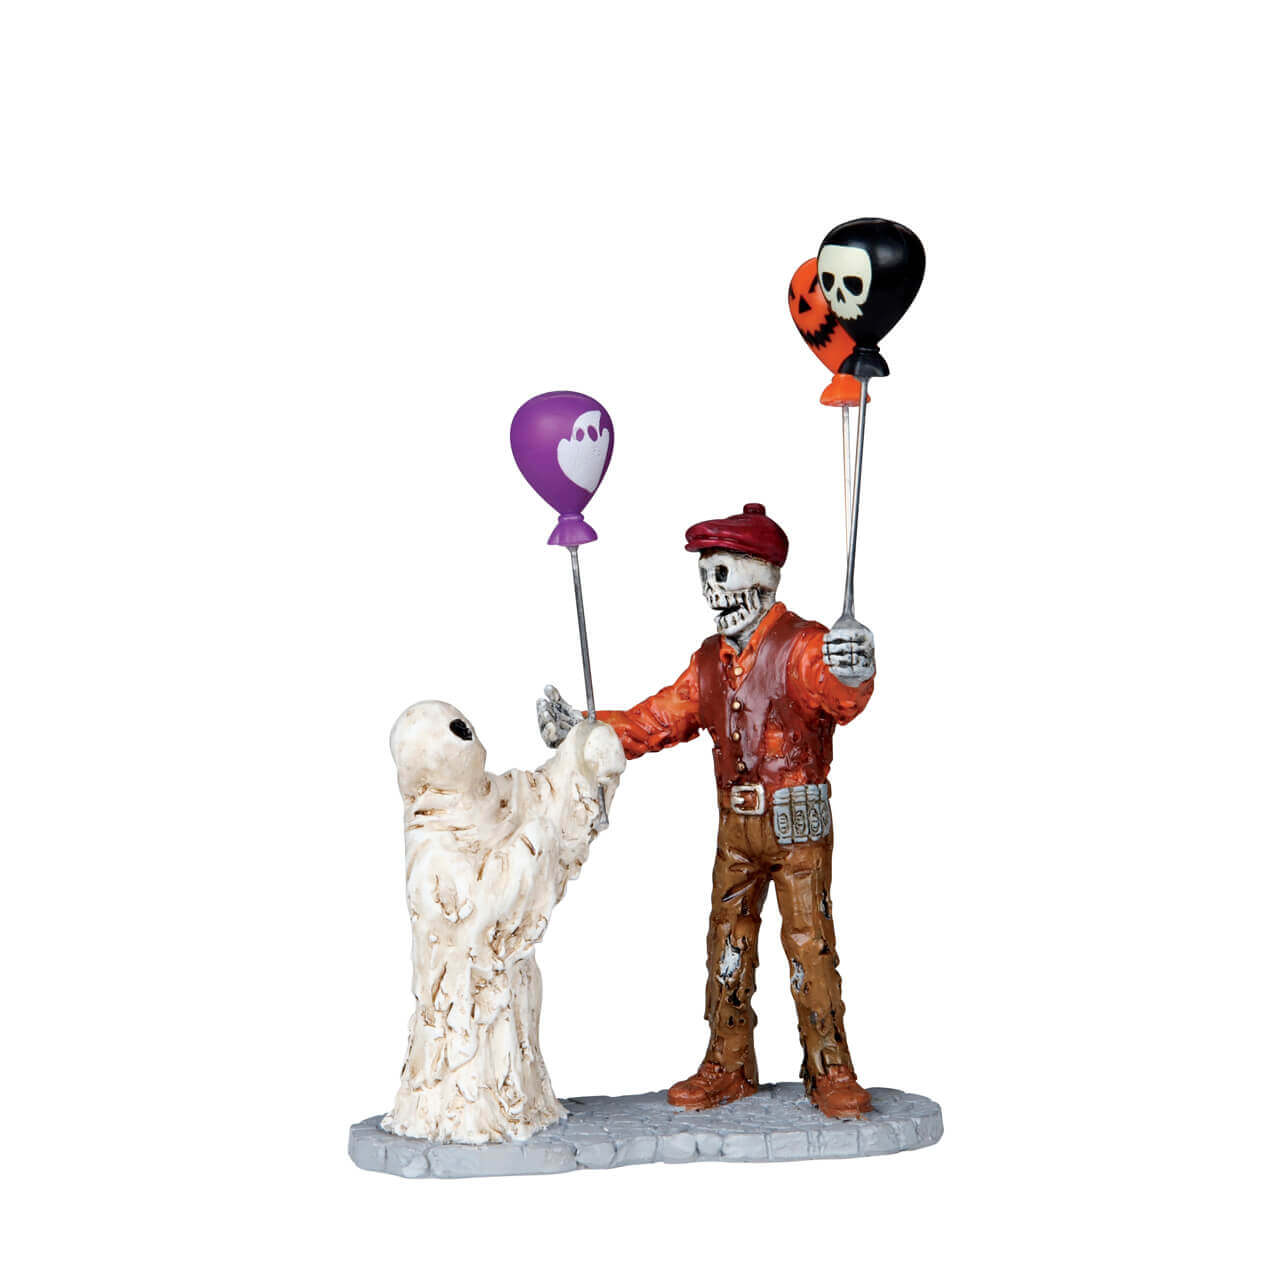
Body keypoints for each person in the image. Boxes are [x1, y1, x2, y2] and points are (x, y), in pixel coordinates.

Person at [538, 503, 878, 1118]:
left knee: (809, 944)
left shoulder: (804, 646)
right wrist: (586, 732)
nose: (712, 592)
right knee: (727, 942)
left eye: (722, 573)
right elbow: (656, 720)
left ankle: (831, 1067)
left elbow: (839, 695)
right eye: (705, 576)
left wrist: (854, 668)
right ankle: (727, 1064)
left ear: (763, 577)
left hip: (796, 827)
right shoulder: (708, 663)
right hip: (735, 829)